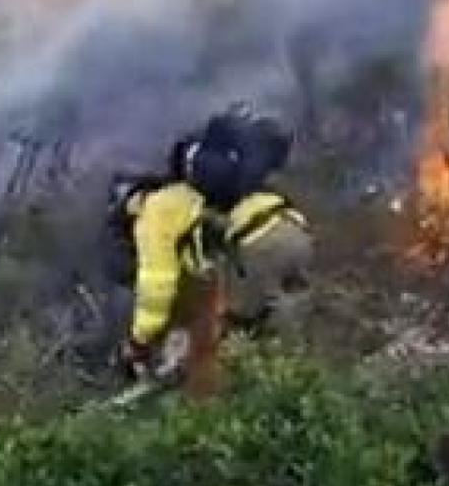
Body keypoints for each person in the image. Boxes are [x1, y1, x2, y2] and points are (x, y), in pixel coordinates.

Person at [116, 108, 312, 395]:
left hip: (257, 245)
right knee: (282, 319)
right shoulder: (195, 193)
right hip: (295, 232)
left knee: (229, 336)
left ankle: (244, 400)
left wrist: (139, 341)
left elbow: (156, 287)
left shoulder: (152, 213)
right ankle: (298, 389)